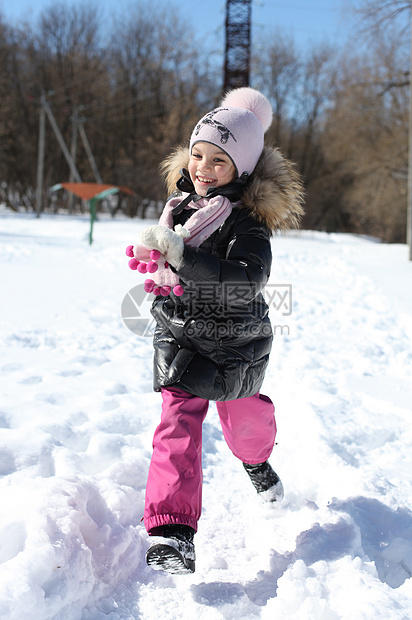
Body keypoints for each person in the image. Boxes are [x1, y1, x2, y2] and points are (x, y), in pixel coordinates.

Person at [128, 87, 304, 575]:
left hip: (234, 344)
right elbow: (170, 258)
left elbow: (248, 280)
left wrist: (185, 257)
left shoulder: (248, 223)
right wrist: (158, 259)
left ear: (242, 170)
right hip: (181, 336)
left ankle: (256, 462)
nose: (203, 168)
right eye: (198, 155)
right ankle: (172, 532)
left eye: (219, 161)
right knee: (176, 427)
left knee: (243, 422)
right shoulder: (180, 207)